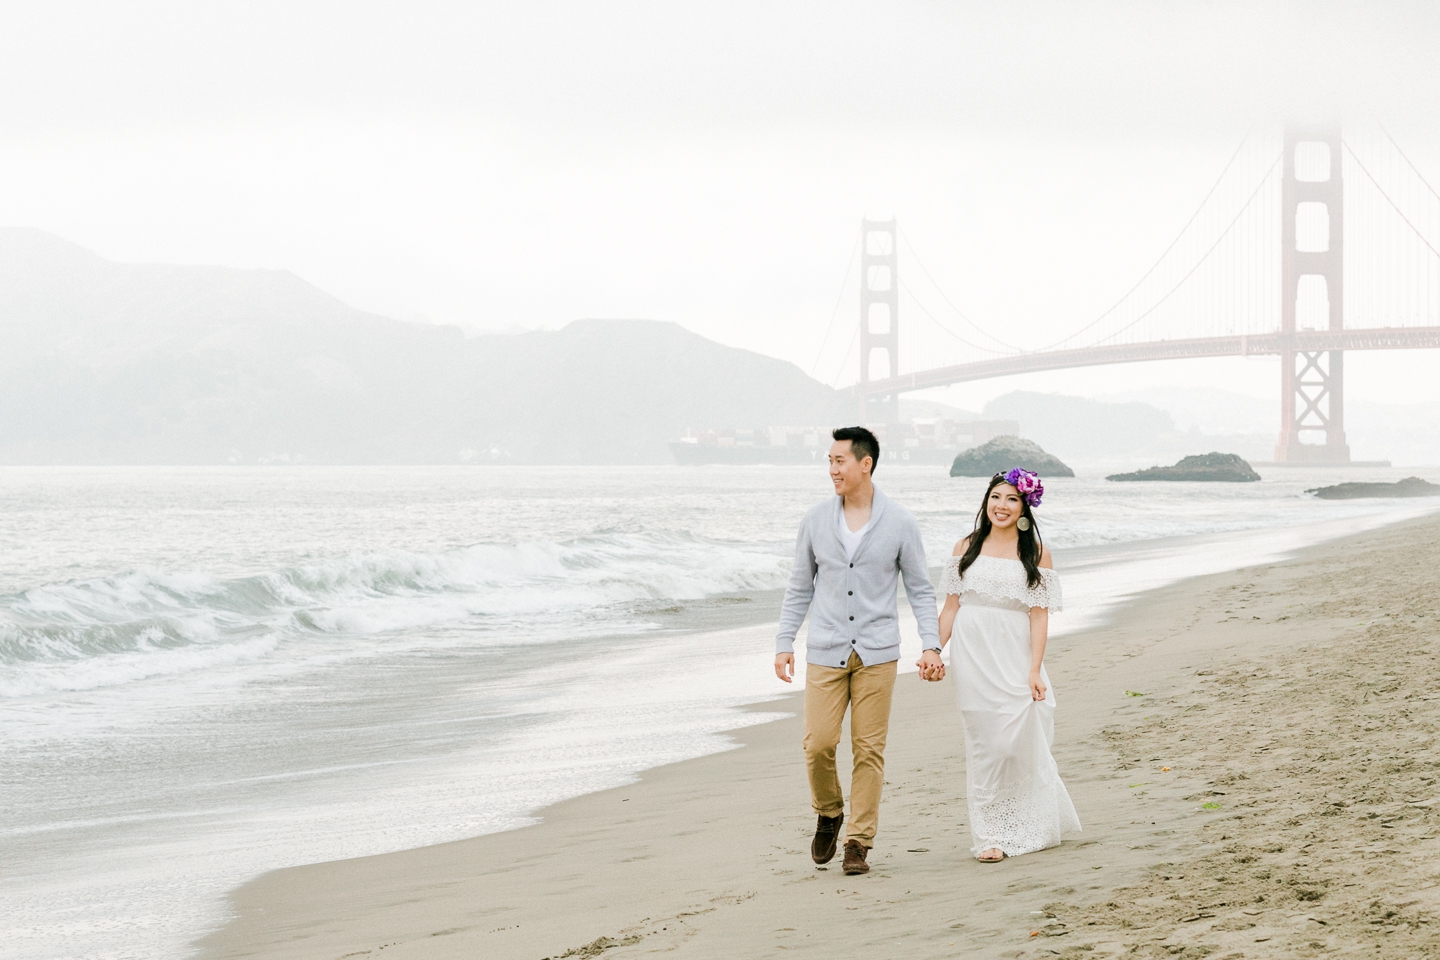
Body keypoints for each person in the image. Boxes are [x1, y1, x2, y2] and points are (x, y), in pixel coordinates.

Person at [774, 426, 945, 876]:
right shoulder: (814, 521)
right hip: (825, 649)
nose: (832, 469)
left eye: (839, 461)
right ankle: (829, 812)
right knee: (818, 744)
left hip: (878, 652)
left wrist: (932, 644)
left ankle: (858, 841)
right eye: (829, 461)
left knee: (869, 749)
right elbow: (798, 587)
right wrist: (783, 642)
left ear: (865, 464)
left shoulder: (900, 522)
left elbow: (921, 590)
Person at [937, 468, 1080, 862]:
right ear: (986, 501)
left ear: (1024, 507)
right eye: (996, 497)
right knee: (985, 744)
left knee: (1015, 739)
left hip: (1015, 653)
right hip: (972, 654)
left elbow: (1038, 615)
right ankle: (989, 836)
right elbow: (951, 607)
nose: (1001, 506)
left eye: (1011, 499)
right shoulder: (965, 546)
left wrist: (1035, 669)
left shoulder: (1036, 553)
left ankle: (1028, 818)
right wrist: (933, 649)